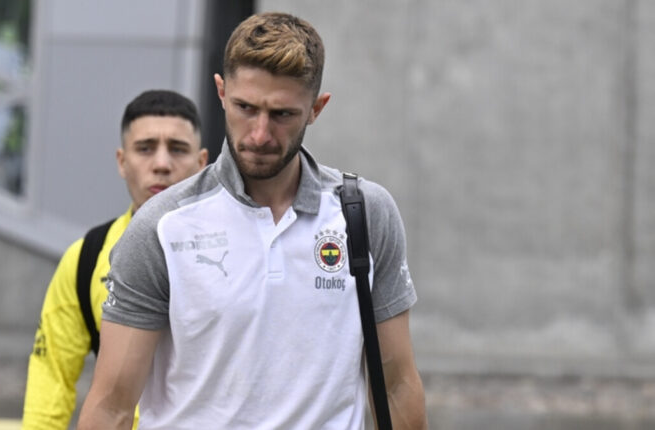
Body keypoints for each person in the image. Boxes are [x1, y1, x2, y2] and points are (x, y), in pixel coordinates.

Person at [79, 12, 427, 430]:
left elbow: (396, 386)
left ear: (316, 109)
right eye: (245, 108)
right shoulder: (162, 226)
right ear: (222, 92)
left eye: (282, 114)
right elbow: (113, 405)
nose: (260, 134)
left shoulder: (364, 213)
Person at [21, 90, 208, 430]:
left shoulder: (240, 249)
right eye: (145, 148)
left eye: (178, 149)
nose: (162, 163)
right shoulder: (86, 258)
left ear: (202, 163)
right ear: (122, 161)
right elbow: (52, 374)